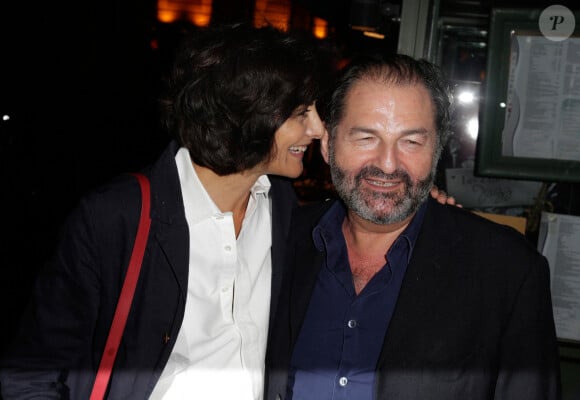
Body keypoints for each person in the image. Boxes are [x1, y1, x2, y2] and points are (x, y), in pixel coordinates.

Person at [0, 24, 456, 399]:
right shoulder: (116, 218)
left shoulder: (282, 209)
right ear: (250, 117)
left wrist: (420, 204)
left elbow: (367, 215)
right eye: (301, 113)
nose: (319, 130)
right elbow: (32, 375)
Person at [265, 53, 561, 400]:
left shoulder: (507, 272)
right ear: (329, 145)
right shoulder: (278, 238)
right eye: (366, 138)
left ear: (436, 151)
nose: (388, 164)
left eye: (411, 142)